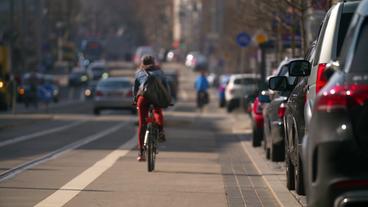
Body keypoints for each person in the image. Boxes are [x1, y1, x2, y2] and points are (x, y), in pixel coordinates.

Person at [133, 55, 169, 162]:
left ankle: (141, 152)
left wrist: (135, 100)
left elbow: (135, 89)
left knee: (142, 124)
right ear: (154, 62)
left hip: (143, 99)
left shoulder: (139, 72)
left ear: (142, 63)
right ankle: (160, 130)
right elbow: (166, 86)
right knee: (157, 111)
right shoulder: (160, 72)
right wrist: (167, 99)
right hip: (156, 98)